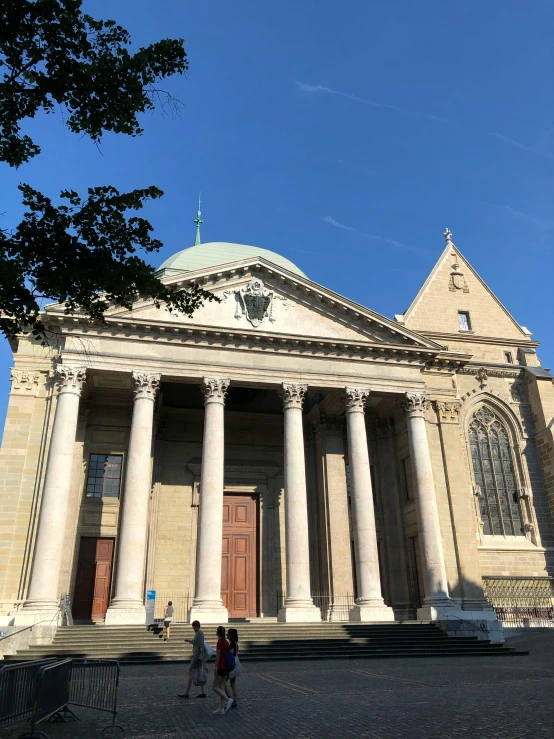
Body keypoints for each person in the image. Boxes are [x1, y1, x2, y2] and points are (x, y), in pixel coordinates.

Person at [179, 620, 207, 699]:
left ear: (197, 626)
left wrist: (200, 655)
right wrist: (189, 641)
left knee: (190, 672)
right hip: (197, 656)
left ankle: (187, 692)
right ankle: (202, 692)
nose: (193, 628)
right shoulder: (198, 633)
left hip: (197, 657)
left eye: (194, 627)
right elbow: (195, 642)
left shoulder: (199, 633)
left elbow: (201, 645)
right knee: (199, 673)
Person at [212, 625, 233, 715]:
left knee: (215, 687)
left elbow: (218, 655)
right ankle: (221, 708)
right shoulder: (226, 642)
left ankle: (228, 700)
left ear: (218, 633)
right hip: (226, 666)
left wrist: (215, 666)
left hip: (220, 666)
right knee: (222, 687)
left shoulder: (219, 642)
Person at [225, 627, 240, 708]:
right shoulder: (236, 643)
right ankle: (234, 700)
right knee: (233, 684)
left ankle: (229, 698)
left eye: (228, 633)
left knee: (223, 682)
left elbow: (232, 652)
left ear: (231, 635)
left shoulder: (232, 643)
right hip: (236, 664)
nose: (226, 634)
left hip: (232, 665)